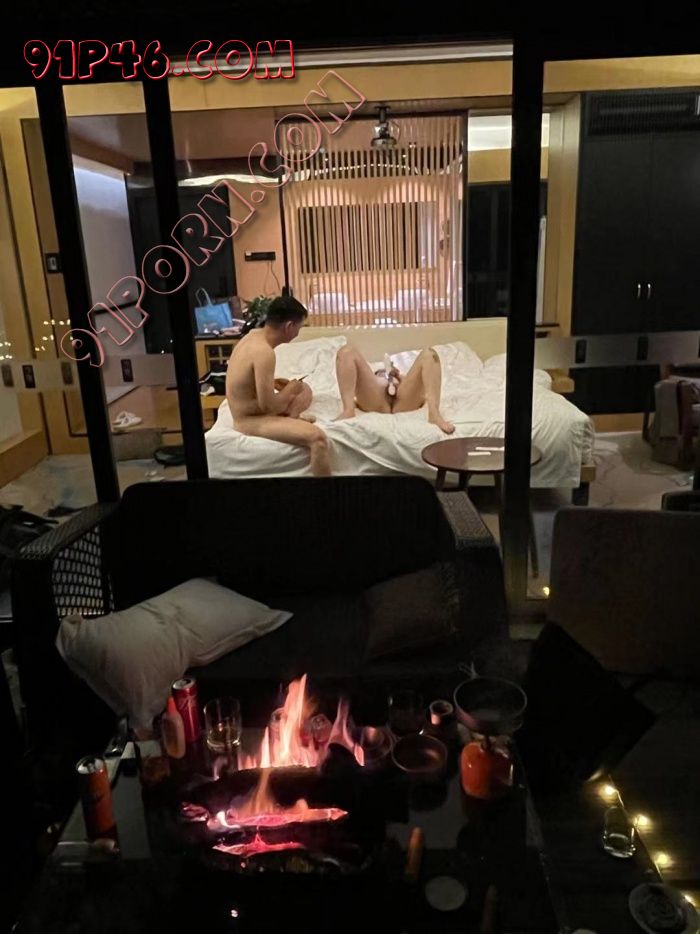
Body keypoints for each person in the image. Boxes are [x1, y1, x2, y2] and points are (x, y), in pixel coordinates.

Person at [226, 295, 331, 476]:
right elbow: (268, 406)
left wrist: (283, 386)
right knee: (318, 439)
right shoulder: (264, 352)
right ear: (289, 326)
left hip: (251, 408)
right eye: (299, 327)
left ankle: (292, 418)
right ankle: (326, 493)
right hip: (249, 419)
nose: (298, 332)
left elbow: (251, 383)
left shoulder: (252, 336)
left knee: (305, 390)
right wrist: (290, 390)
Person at [334, 343, 455, 434]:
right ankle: (348, 410)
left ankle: (434, 413)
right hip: (376, 399)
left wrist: (397, 376)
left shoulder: (401, 376)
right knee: (346, 351)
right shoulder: (373, 377)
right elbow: (360, 387)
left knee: (429, 354)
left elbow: (417, 387)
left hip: (403, 399)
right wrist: (381, 376)